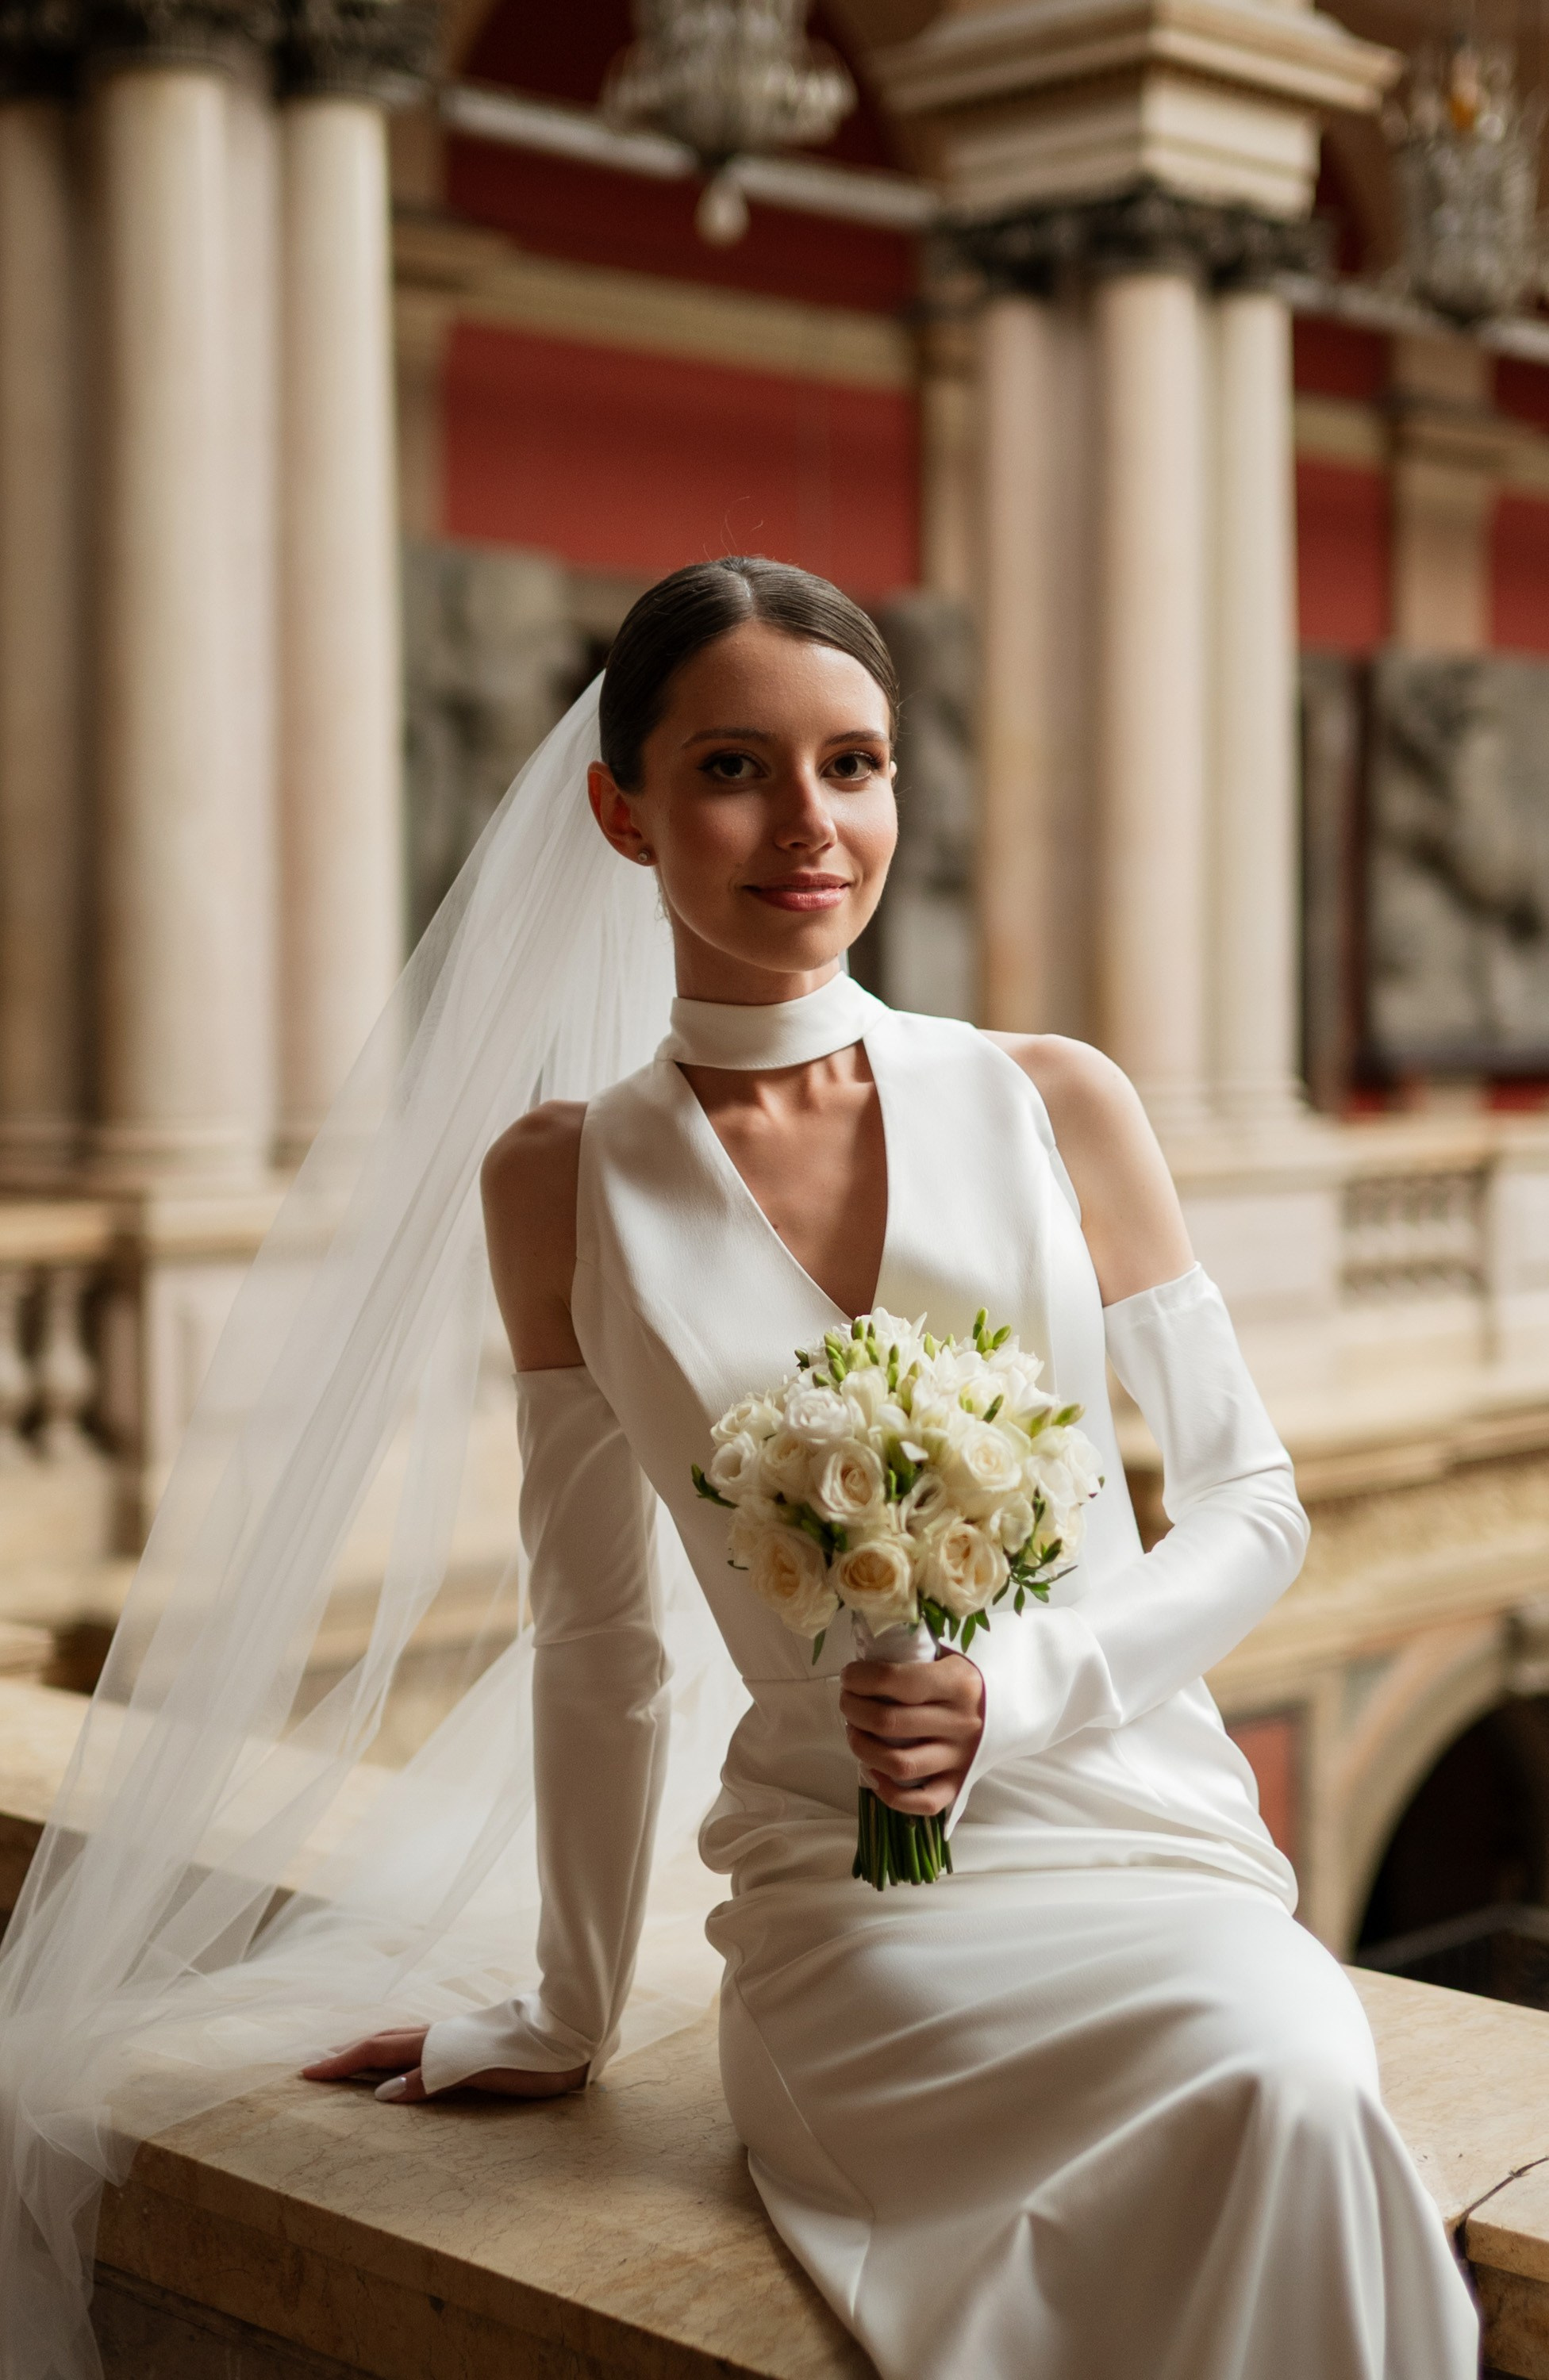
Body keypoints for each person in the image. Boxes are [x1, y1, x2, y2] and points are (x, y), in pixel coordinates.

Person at [302, 558, 1480, 2380]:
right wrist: (566, 2003)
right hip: (851, 1907)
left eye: (852, 765)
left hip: (1132, 1835)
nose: (807, 824)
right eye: (731, 769)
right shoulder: (558, 1180)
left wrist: (1017, 1686)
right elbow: (598, 1637)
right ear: (622, 813)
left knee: (1296, 2085)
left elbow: (1253, 1506)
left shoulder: (1049, 1096)